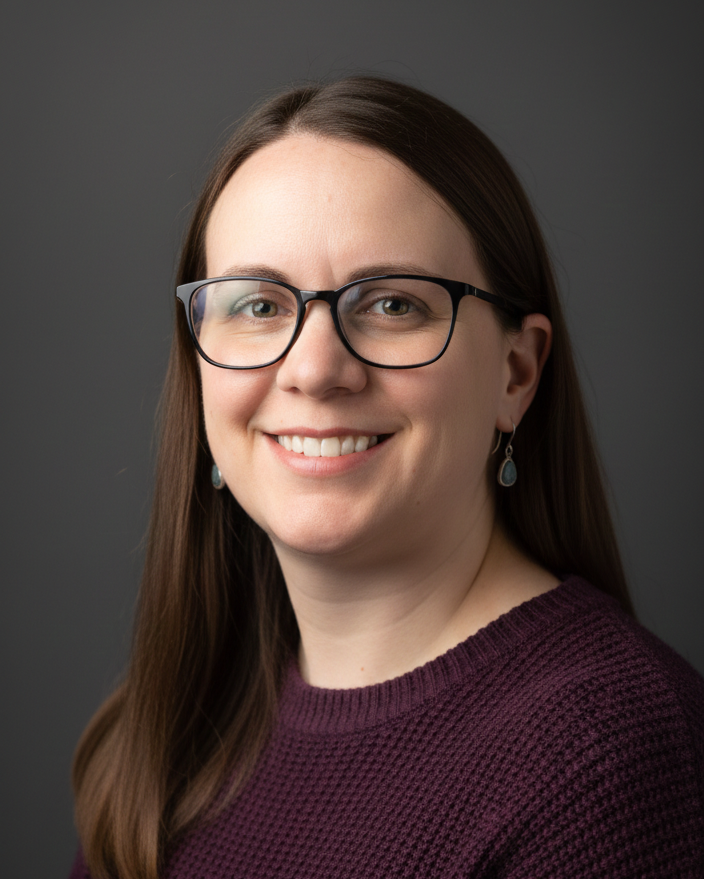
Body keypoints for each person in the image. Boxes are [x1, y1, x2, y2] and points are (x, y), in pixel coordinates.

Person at [69, 76, 704, 879]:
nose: (315, 369)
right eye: (258, 306)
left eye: (393, 304)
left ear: (516, 372)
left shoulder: (606, 760)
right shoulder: (178, 732)